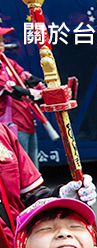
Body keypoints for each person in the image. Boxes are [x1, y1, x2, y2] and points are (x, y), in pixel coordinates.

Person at [0, 24, 44, 168]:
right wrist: (32, 93)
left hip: (25, 120)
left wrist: (46, 88)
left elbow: (27, 78)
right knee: (20, 168)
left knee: (33, 168)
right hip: (10, 125)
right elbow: (11, 89)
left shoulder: (8, 63)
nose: (2, 43)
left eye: (2, 39)